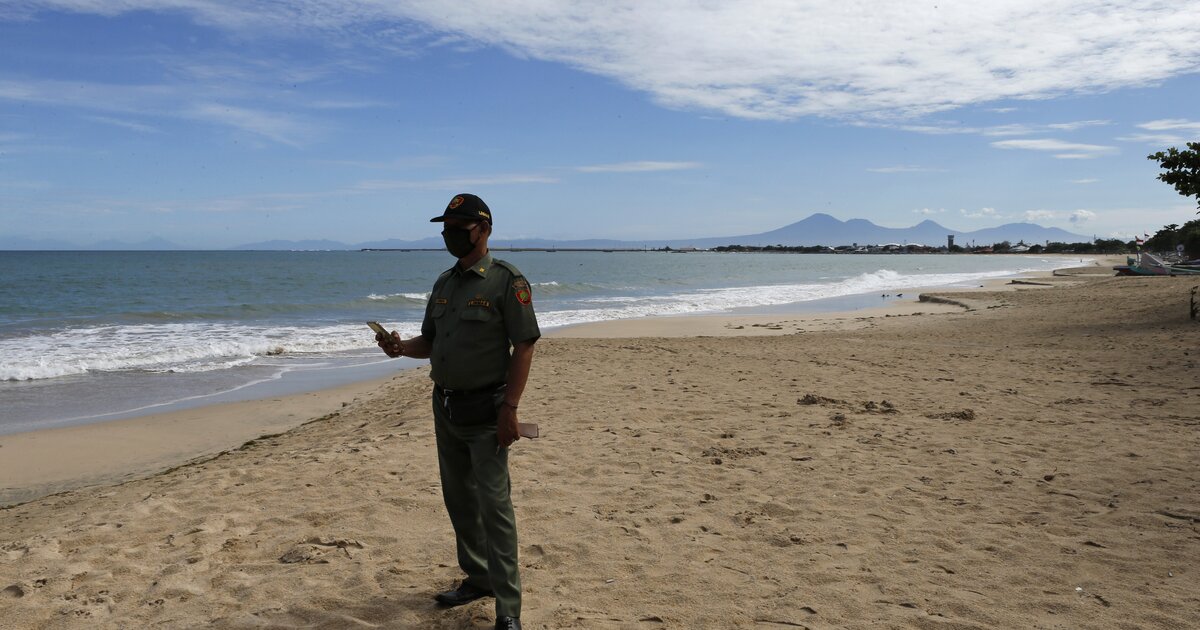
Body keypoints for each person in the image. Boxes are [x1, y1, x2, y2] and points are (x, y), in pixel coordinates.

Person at [377, 193, 539, 630]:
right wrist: (398, 348)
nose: (450, 236)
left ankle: (508, 610)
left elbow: (523, 346)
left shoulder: (507, 281)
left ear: (483, 231)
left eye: (459, 229)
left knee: (494, 506)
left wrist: (511, 408)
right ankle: (477, 577)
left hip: (488, 409)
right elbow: (428, 343)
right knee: (460, 501)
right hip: (445, 406)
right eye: (446, 229)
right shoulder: (444, 285)